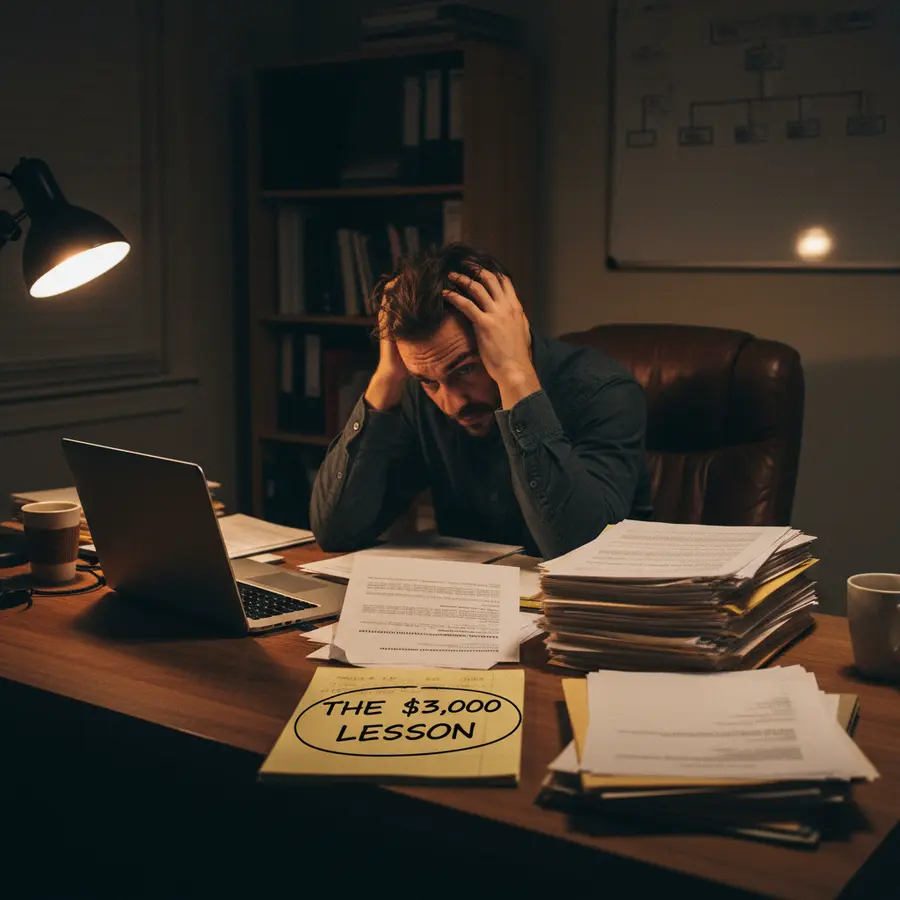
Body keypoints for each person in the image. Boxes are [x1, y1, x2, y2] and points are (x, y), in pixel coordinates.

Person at [310, 243, 652, 559]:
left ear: (508, 333)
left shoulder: (605, 393)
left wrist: (515, 376)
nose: (451, 404)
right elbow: (336, 532)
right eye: (428, 381)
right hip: (469, 599)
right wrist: (387, 376)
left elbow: (580, 554)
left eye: (465, 369)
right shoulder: (420, 396)